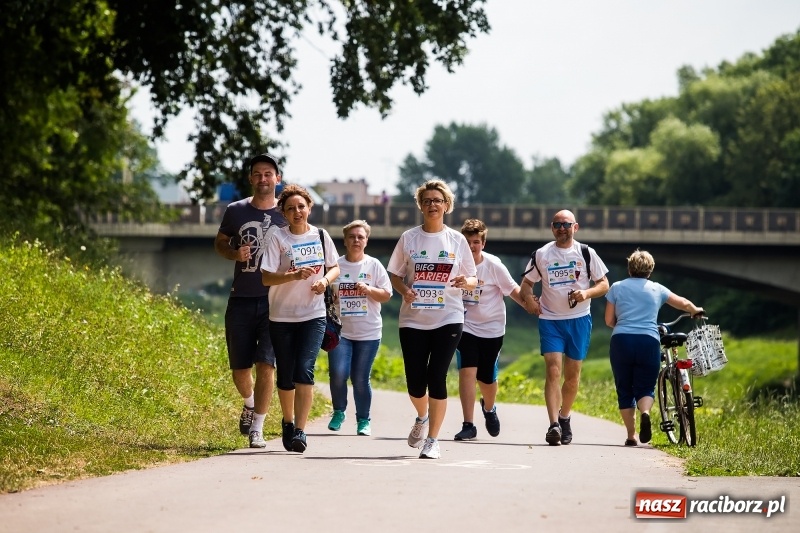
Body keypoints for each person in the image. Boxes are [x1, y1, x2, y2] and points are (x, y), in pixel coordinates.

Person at [387, 179, 477, 459]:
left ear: (446, 205)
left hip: (448, 316)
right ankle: (422, 416)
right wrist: (404, 290)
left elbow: (473, 279)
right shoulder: (409, 238)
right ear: (420, 206)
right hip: (413, 319)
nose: (432, 205)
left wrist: (465, 281)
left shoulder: (457, 240)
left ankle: (433, 440)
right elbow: (394, 274)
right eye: (426, 201)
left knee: (436, 376)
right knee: (415, 381)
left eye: (437, 200)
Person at [260, 184, 340, 453]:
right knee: (286, 372)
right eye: (291, 208)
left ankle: (300, 431)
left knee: (304, 369)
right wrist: (293, 275)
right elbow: (266, 277)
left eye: (301, 207)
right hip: (281, 316)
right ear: (283, 212)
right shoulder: (278, 238)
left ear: (309, 208)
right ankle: (288, 421)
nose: (297, 212)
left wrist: (324, 281)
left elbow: (334, 267)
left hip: (313, 314)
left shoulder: (320, 235)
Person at [214, 153, 286, 449]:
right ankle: (249, 402)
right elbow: (220, 242)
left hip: (274, 302)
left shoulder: (287, 212)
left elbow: (304, 244)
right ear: (251, 179)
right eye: (257, 174)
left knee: (266, 365)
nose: (263, 179)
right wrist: (234, 253)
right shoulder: (236, 210)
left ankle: (258, 428)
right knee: (240, 369)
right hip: (241, 299)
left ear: (278, 178)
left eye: (268, 173)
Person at [520, 209, 609, 446]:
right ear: (552, 228)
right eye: (557, 224)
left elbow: (604, 284)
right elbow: (526, 284)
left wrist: (586, 293)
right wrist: (529, 299)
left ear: (575, 227)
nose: (562, 228)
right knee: (553, 370)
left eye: (566, 224)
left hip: (579, 319)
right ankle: (553, 425)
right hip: (550, 320)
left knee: (572, 376)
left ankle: (564, 416)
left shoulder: (586, 253)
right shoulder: (541, 254)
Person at [605, 249, 704, 446]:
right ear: (650, 270)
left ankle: (631, 436)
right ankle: (646, 413)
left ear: (629, 268)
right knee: (646, 387)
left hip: (622, 341)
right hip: (648, 341)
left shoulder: (616, 287)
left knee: (624, 388)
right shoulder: (657, 289)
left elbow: (609, 320)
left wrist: (624, 325)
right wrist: (695, 310)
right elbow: (682, 303)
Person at [454, 219, 531, 441]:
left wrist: (530, 306)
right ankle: (468, 425)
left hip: (492, 328)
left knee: (486, 377)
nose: (471, 246)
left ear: (483, 244)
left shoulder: (493, 265)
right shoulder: (455, 265)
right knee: (467, 371)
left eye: (476, 242)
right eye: (467, 242)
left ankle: (489, 408)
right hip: (465, 325)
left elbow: (513, 290)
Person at [326, 220, 393, 436]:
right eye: (352, 237)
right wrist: (332, 296)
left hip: (368, 332)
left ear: (366, 241)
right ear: (345, 241)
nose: (356, 240)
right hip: (341, 332)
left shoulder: (374, 265)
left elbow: (387, 294)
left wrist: (368, 290)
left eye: (360, 237)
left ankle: (363, 420)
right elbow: (324, 293)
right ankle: (339, 411)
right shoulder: (335, 265)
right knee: (338, 373)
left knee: (360, 379)